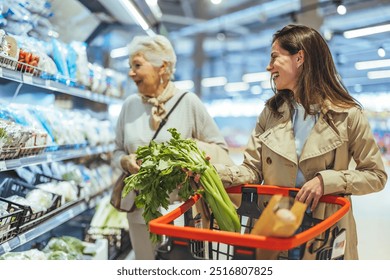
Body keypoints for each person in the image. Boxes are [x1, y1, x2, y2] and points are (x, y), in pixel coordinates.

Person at [214, 24, 387, 260]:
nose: (269, 66)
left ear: (299, 58)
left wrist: (326, 181)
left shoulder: (347, 115)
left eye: (275, 57)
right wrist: (213, 173)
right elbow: (251, 170)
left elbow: (376, 175)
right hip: (273, 228)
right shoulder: (270, 113)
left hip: (324, 235)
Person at [113, 34, 231, 260]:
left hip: (182, 212)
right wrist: (124, 161)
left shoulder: (188, 102)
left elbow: (220, 150)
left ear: (162, 67)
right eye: (130, 66)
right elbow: (116, 150)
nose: (131, 73)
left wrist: (189, 155)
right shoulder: (129, 106)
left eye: (137, 65)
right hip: (139, 212)